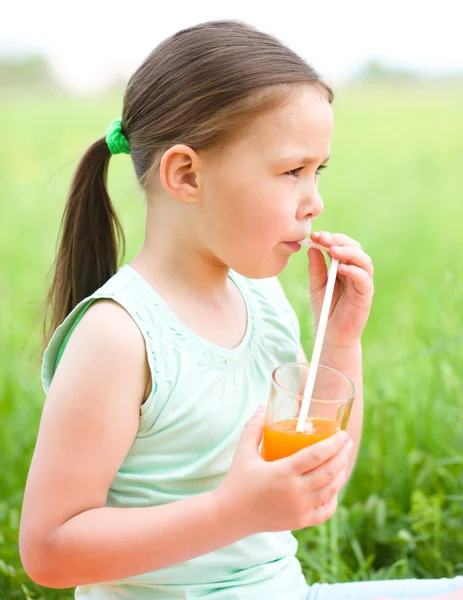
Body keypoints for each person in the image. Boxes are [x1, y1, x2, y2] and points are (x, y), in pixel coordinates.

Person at [18, 19, 462, 600]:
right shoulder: (119, 335)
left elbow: (317, 479)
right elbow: (49, 550)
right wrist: (232, 511)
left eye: (317, 171)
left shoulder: (261, 300)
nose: (315, 201)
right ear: (186, 174)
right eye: (291, 172)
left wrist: (341, 342)